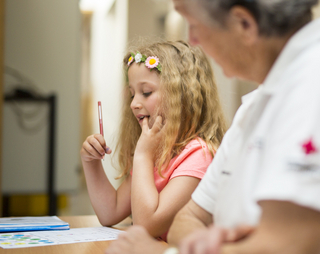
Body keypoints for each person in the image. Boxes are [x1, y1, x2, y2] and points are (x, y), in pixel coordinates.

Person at [105, 0, 320, 253]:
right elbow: (186, 221)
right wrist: (220, 246)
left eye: (195, 24)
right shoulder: (254, 108)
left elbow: (285, 246)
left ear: (244, 24)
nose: (194, 40)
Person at [81, 40, 227, 241]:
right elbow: (110, 212)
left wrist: (142, 156)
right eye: (132, 94)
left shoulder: (199, 155)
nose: (133, 104)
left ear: (182, 95)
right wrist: (91, 162)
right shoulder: (158, 153)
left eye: (146, 92)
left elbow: (146, 225)